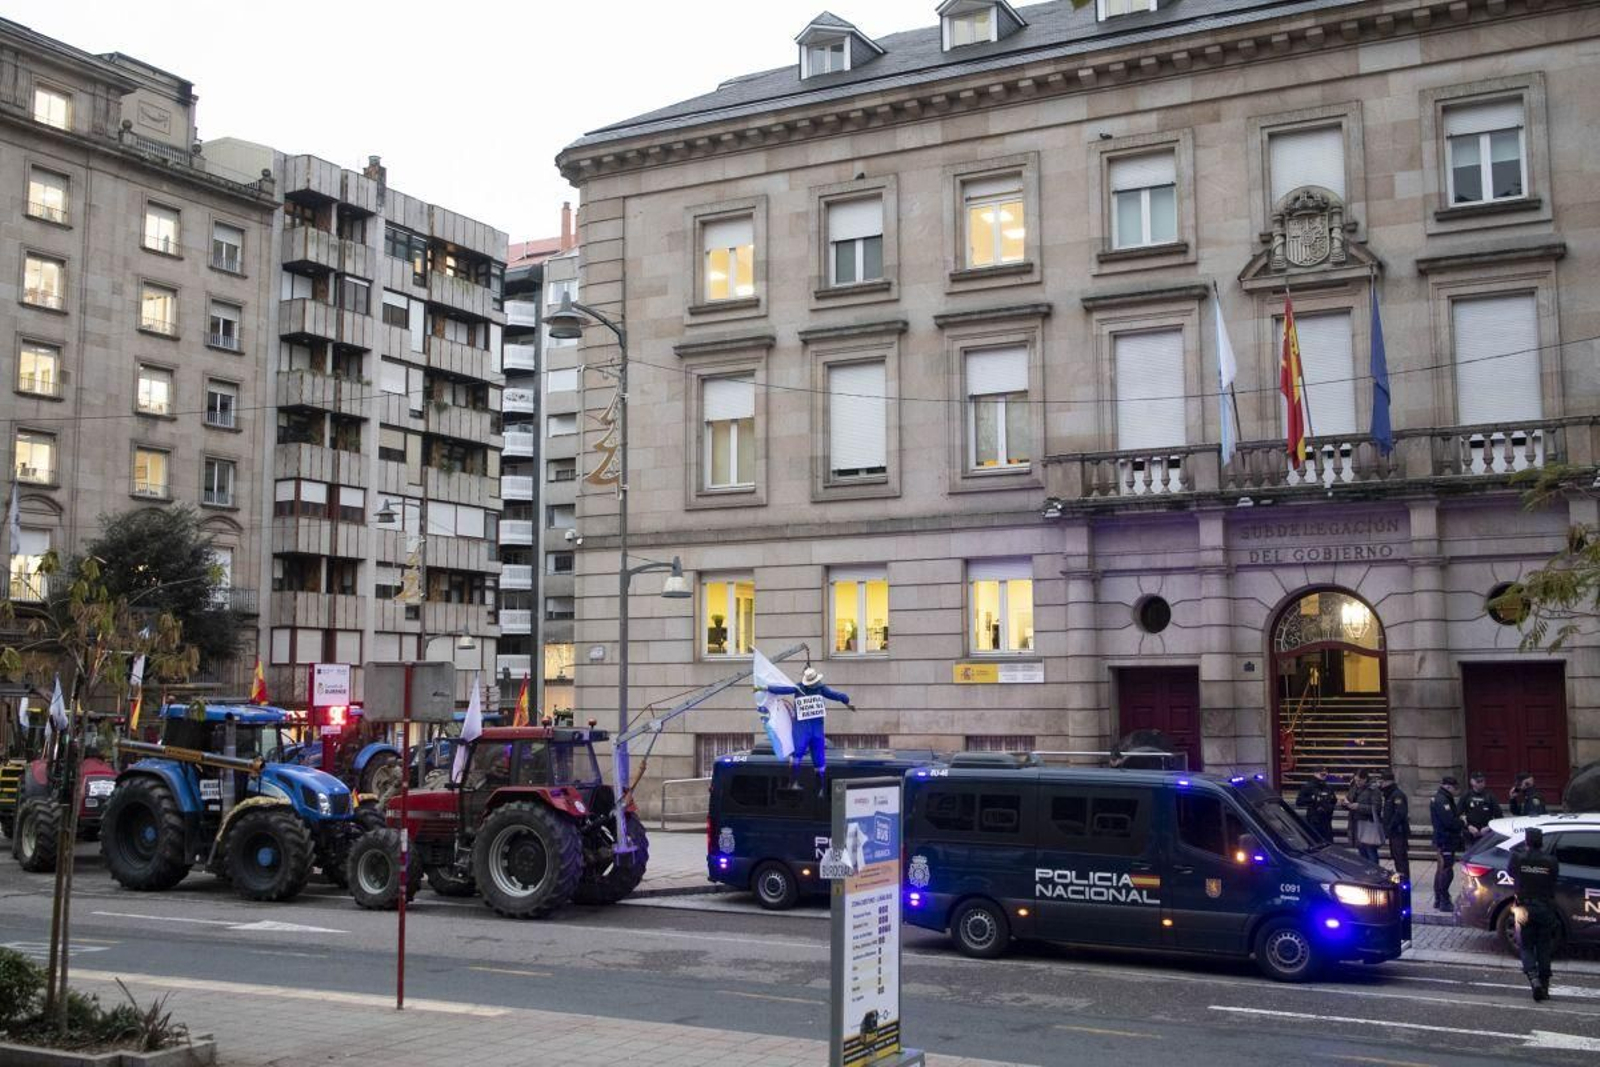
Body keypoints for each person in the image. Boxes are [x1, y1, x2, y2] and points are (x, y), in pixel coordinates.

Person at [758, 666, 853, 780]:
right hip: (807, 725)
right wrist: (766, 687)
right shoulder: (806, 688)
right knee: (803, 751)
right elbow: (784, 689)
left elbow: (834, 695)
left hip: (811, 725)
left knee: (814, 753)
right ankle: (798, 780)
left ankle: (809, 780)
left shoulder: (817, 688)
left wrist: (845, 699)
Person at [1509, 826, 1561, 1001]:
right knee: (1544, 947)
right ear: (1541, 843)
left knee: (1526, 945)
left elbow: (1511, 872)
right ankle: (1544, 986)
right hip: (1545, 907)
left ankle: (1534, 979)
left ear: (1526, 842)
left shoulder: (1518, 858)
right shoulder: (1551, 861)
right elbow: (1554, 878)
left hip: (1524, 907)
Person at [1429, 776, 1465, 911]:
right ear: (1448, 787)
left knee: (1441, 869)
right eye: (1455, 788)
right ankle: (1443, 900)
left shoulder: (1442, 798)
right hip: (1445, 839)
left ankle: (1439, 899)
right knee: (1446, 870)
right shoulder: (1443, 800)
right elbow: (1449, 822)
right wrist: (1462, 822)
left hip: (1443, 839)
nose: (1456, 791)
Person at [1377, 769, 1411, 882]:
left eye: (1382, 782)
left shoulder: (1397, 795)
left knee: (1400, 857)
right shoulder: (1389, 794)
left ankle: (1404, 880)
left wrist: (1390, 826)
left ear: (1389, 781)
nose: (1380, 784)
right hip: (1394, 832)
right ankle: (1401, 878)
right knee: (1397, 857)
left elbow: (1400, 813)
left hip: (1398, 832)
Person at [1342, 769, 1382, 864]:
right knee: (1361, 851)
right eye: (1356, 780)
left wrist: (1359, 807)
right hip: (1355, 822)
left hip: (1367, 825)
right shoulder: (1354, 787)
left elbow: (1376, 808)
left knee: (1370, 851)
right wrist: (1345, 804)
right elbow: (1349, 799)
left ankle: (1374, 870)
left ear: (1365, 779)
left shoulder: (1373, 790)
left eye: (1359, 780)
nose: (1357, 782)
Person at [1295, 768, 1338, 843]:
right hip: (1314, 818)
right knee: (1315, 840)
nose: (1324, 776)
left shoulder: (1328, 787)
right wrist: (1312, 799)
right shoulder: (1308, 786)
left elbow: (1334, 800)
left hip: (1326, 818)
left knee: (1328, 841)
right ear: (1315, 773)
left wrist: (1329, 806)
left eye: (1325, 775)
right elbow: (1299, 802)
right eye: (1322, 774)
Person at [1461, 771, 1504, 845]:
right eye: (1478, 781)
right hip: (1470, 833)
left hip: (1486, 833)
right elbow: (1458, 815)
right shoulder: (1466, 796)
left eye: (1482, 781)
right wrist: (1468, 826)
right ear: (1472, 782)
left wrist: (1489, 827)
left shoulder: (1490, 796)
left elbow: (1499, 816)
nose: (1481, 783)